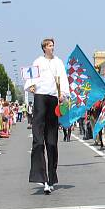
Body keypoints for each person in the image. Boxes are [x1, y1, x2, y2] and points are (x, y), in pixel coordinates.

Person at [25, 38, 69, 194]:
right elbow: (30, 77)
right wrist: (29, 85)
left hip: (53, 97)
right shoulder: (38, 61)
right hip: (40, 97)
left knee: (51, 143)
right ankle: (41, 177)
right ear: (44, 48)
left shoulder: (58, 62)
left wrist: (63, 94)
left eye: (53, 45)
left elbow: (63, 79)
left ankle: (51, 178)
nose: (52, 47)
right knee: (38, 142)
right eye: (49, 45)